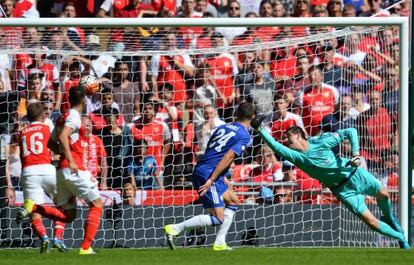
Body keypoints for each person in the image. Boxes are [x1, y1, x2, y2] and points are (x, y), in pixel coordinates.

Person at [250, 116, 410, 249]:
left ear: (298, 136)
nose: (286, 141)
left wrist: (355, 154)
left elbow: (351, 131)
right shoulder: (296, 157)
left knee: (384, 194)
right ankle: (401, 238)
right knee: (373, 223)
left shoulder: (321, 141)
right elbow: (275, 146)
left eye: (288, 138)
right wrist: (260, 129)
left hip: (354, 174)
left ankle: (390, 218)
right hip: (343, 191)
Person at [16, 86, 104, 255]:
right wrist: (71, 159)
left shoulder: (61, 117)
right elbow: (63, 137)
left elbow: (50, 143)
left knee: (68, 216)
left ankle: (34, 207)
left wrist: (63, 153)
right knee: (97, 204)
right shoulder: (73, 116)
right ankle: (85, 248)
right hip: (73, 168)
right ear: (84, 100)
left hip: (58, 171)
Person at [163, 102, 255, 251]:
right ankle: (175, 228)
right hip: (209, 174)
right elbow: (228, 156)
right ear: (252, 116)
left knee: (233, 200)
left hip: (211, 171)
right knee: (219, 218)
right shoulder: (245, 135)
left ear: (236, 113)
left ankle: (220, 242)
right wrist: (212, 178)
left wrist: (222, 176)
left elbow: (211, 150)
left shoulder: (222, 126)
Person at [16, 102, 68, 253]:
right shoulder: (47, 127)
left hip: (28, 171)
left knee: (35, 211)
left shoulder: (22, 132)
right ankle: (58, 237)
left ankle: (44, 238)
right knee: (63, 204)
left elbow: (21, 156)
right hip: (47, 168)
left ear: (28, 116)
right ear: (44, 115)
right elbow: (57, 144)